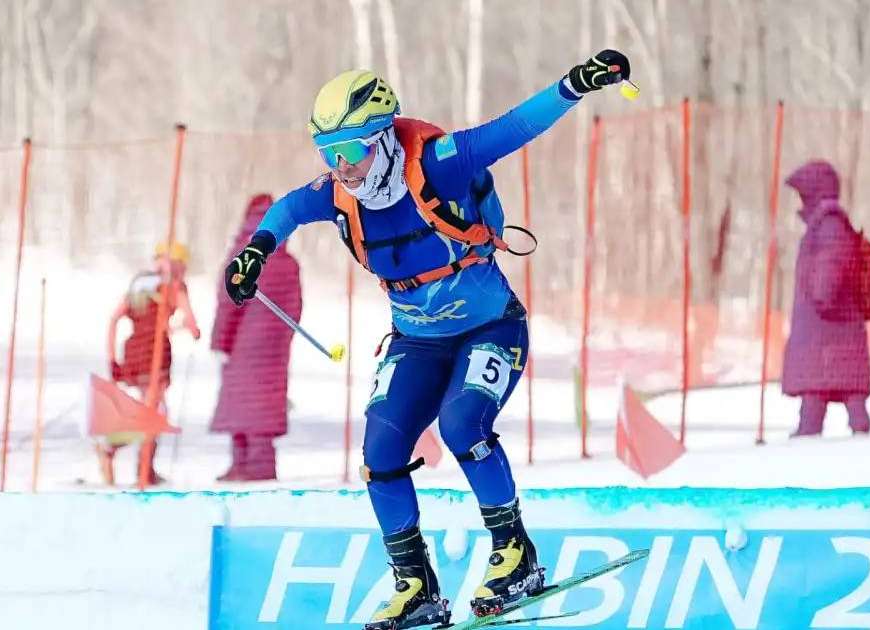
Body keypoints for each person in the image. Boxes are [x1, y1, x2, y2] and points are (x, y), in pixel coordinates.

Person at [222, 52, 634, 629]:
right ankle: (415, 586)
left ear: (383, 136)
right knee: (380, 452)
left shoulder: (437, 164)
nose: (342, 168)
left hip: (490, 327)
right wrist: (255, 251)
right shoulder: (340, 193)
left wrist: (575, 84)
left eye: (351, 151)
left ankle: (515, 554)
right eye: (329, 154)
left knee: (463, 425)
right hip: (417, 342)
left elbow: (513, 128)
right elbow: (286, 209)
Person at [210, 194, 302, 481]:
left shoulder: (243, 255)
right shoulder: (288, 261)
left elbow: (229, 302)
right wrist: (282, 338)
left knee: (242, 401)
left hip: (242, 344)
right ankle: (256, 465)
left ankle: (245, 466)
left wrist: (220, 342)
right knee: (262, 403)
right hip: (274, 348)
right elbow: (296, 308)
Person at [781, 160, 870, 437]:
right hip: (829, 338)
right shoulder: (826, 226)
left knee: (830, 398)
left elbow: (827, 284)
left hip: (828, 336)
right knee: (826, 397)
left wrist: (813, 288)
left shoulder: (829, 227)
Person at [104, 241, 201, 486]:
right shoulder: (176, 287)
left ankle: (141, 466)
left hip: (133, 353)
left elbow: (114, 320)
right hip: (155, 356)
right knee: (156, 413)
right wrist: (182, 329)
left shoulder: (140, 284)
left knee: (152, 410)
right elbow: (192, 325)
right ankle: (115, 450)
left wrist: (112, 358)